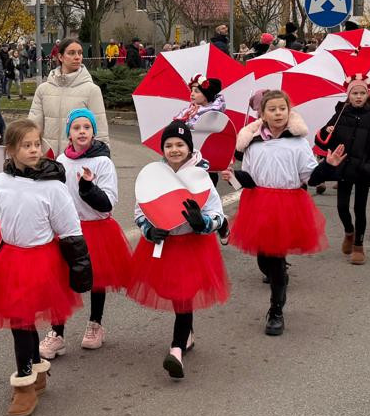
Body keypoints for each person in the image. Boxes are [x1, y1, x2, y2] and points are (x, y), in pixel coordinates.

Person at [0, 119, 91, 416]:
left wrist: (81, 267)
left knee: (23, 320)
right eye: (26, 145)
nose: (34, 150)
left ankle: (24, 385)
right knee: (21, 321)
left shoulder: (53, 187)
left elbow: (70, 228)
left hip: (41, 261)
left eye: (37, 144)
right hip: (7, 260)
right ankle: (34, 372)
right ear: (10, 150)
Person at [127, 120, 229, 378]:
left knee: (184, 297)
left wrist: (202, 222)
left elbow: (218, 215)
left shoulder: (201, 177)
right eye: (169, 145)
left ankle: (176, 350)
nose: (174, 149)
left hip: (193, 247)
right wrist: (149, 229)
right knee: (178, 296)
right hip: (166, 246)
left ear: (189, 147)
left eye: (180, 144)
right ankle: (188, 334)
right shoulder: (154, 175)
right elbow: (140, 210)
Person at [228, 91, 321, 335]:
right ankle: (278, 279)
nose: (278, 113)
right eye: (273, 109)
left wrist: (329, 166)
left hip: (288, 204)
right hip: (258, 202)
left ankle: (276, 310)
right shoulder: (254, 142)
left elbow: (310, 177)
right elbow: (248, 178)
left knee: (277, 258)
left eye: (283, 108)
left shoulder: (298, 142)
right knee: (263, 257)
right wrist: (233, 176)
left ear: (289, 111)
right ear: (262, 114)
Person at [45, 108, 131, 354]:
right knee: (60, 279)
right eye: (76, 127)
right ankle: (57, 332)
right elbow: (54, 197)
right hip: (67, 229)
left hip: (96, 228)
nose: (82, 131)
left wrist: (87, 187)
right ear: (68, 134)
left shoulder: (102, 162)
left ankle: (95, 323)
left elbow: (108, 202)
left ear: (93, 132)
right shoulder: (61, 162)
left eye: (87, 127)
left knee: (96, 279)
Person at [309, 77, 370, 265]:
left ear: (368, 95)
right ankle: (349, 232)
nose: (359, 97)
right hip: (343, 168)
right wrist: (325, 132)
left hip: (363, 170)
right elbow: (323, 142)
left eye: (362, 93)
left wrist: (369, 167)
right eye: (355, 93)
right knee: (342, 207)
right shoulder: (340, 115)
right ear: (348, 96)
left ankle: (358, 245)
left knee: (359, 209)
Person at [27, 37, 108, 157]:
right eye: (71, 53)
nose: (77, 57)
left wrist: (103, 159)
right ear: (60, 57)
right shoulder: (43, 90)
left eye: (80, 53)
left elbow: (100, 131)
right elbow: (32, 127)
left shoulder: (92, 90)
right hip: (48, 160)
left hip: (79, 161)